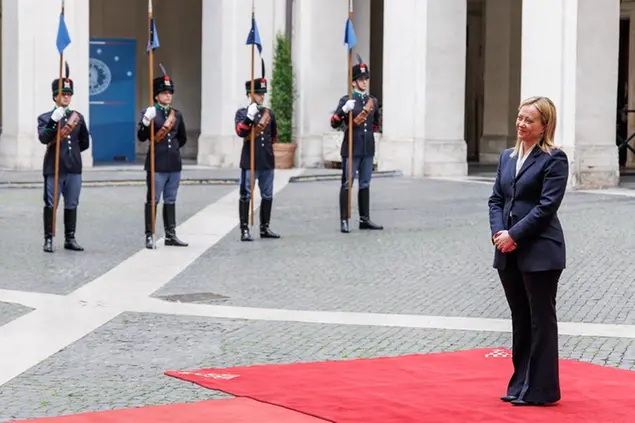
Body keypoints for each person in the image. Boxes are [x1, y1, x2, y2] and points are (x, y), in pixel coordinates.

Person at [488, 96, 569, 406]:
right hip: (507, 250)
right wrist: (499, 233)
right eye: (520, 118)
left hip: (541, 251)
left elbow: (546, 208)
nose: (521, 124)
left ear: (544, 125)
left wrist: (514, 235)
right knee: (520, 318)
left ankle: (542, 389)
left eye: (529, 120)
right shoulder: (507, 157)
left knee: (540, 320)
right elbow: (496, 199)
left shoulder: (554, 159)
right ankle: (519, 383)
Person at [37, 72, 90, 253]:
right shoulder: (45, 118)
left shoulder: (78, 117)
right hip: (54, 168)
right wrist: (54, 121)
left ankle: (70, 238)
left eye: (69, 94)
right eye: (63, 94)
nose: (66, 97)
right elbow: (44, 138)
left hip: (73, 168)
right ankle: (49, 239)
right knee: (51, 204)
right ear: (55, 96)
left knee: (72, 204)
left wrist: (71, 154)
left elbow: (84, 142)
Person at [330, 58, 383, 233]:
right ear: (353, 82)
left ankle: (364, 219)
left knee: (365, 183)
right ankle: (344, 219)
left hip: (367, 148)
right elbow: (334, 123)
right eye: (361, 79)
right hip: (351, 148)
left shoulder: (372, 101)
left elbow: (376, 123)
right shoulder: (347, 100)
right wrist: (344, 110)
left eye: (366, 79)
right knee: (347, 183)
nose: (364, 82)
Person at [137, 71, 188, 249]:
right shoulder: (150, 113)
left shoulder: (177, 115)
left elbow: (182, 138)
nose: (168, 95)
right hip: (156, 163)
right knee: (153, 200)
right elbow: (142, 137)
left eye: (170, 92)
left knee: (171, 199)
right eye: (164, 92)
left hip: (174, 164)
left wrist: (172, 151)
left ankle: (170, 235)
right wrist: (145, 121)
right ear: (157, 96)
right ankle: (150, 235)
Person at [234, 77, 280, 242]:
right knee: (246, 194)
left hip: (266, 160)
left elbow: (273, 136)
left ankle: (265, 227)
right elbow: (241, 132)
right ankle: (244, 229)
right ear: (250, 94)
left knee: (267, 195)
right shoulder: (242, 113)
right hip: (250, 160)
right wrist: (249, 117)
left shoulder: (269, 113)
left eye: (263, 93)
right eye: (258, 93)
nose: (262, 96)